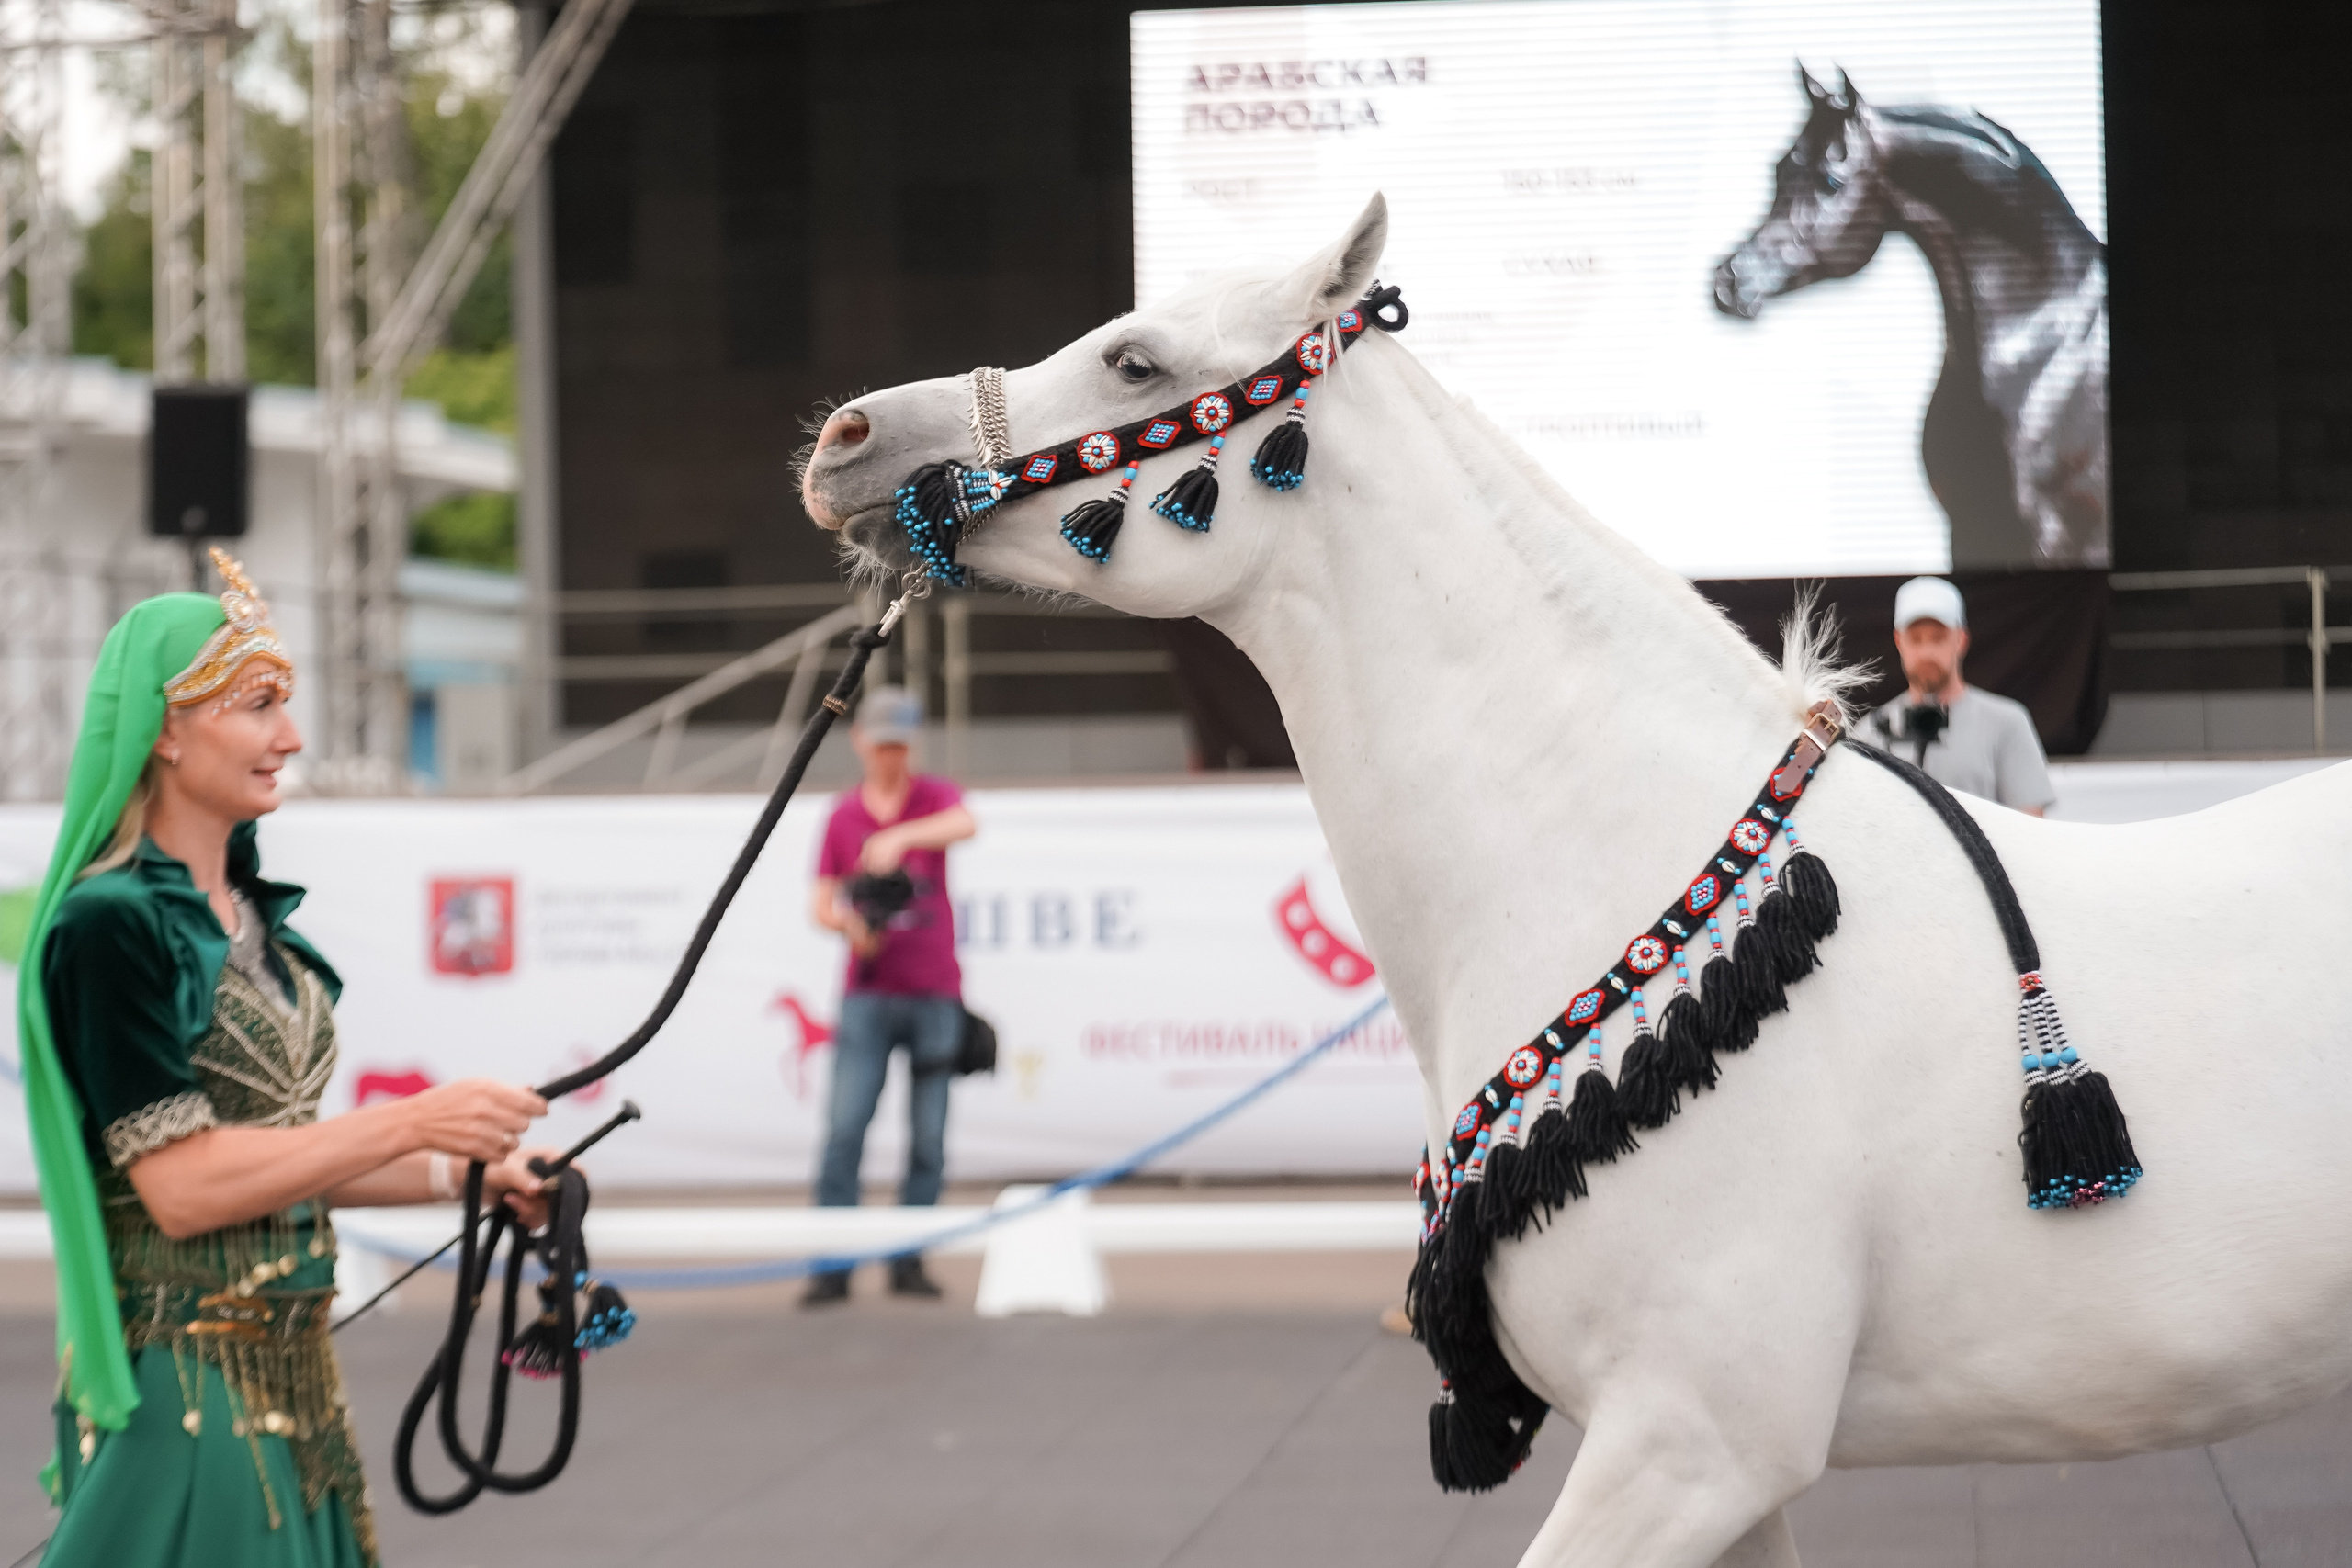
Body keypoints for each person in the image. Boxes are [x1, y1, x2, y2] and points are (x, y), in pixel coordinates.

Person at [19, 553, 558, 1566]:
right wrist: (412, 1119)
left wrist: (468, 1175)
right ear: (166, 729)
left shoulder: (254, 919)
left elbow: (281, 1160)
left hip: (296, 1386)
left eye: (285, 705)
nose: (291, 737)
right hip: (186, 1394)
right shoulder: (113, 925)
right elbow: (181, 1188)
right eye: (257, 704)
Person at [803, 685, 977, 1306]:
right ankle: (832, 1262)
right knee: (845, 1129)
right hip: (868, 990)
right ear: (860, 743)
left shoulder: (934, 797)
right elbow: (820, 902)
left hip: (933, 989)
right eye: (882, 745)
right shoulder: (843, 815)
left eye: (901, 744)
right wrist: (850, 926)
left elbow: (967, 821)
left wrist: (901, 840)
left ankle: (909, 1258)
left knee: (928, 1137)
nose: (891, 756)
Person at [1870, 576, 2055, 816]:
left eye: (1938, 637)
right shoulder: (1871, 732)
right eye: (1915, 639)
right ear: (1898, 641)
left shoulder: (2007, 723)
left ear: (1961, 639)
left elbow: (2031, 828)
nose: (1926, 652)